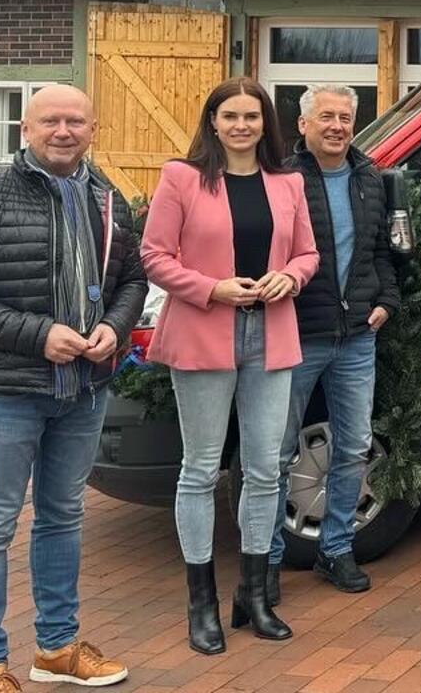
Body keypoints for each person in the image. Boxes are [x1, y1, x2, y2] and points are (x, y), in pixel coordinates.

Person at [0, 84, 144, 693]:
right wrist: (36, 334)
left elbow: (132, 280)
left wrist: (113, 328)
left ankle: (57, 649)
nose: (63, 131)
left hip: (85, 389)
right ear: (26, 128)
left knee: (62, 517)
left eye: (75, 121)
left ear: (93, 129)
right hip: (6, 391)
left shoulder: (108, 200)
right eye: (51, 121)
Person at [142, 77, 318, 654]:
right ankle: (202, 605)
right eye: (230, 115)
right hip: (203, 330)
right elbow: (153, 255)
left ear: (266, 123)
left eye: (252, 115)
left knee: (266, 469)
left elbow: (307, 253)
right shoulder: (182, 178)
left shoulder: (287, 182)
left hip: (270, 332)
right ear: (212, 122)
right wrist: (211, 288)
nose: (242, 125)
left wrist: (289, 276)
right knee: (200, 470)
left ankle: (254, 596)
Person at [267, 84, 401, 599]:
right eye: (326, 116)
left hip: (356, 339)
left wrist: (386, 299)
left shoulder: (369, 178)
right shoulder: (283, 180)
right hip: (298, 335)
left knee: (353, 448)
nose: (337, 126)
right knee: (275, 454)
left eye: (345, 117)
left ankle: (336, 550)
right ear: (302, 125)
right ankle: (269, 563)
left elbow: (380, 252)